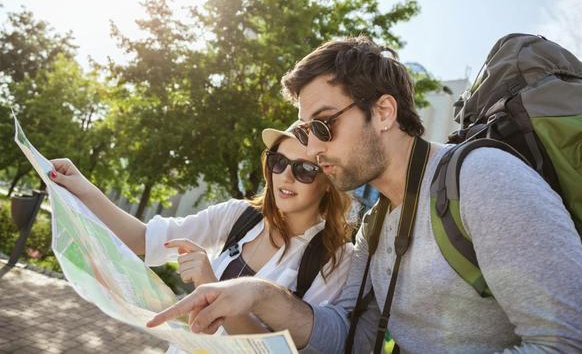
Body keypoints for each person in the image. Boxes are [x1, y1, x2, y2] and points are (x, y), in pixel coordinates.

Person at [146, 36, 582, 353]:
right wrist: (259, 294)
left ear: (384, 112)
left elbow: (580, 344)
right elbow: (351, 335)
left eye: (322, 125)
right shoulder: (377, 223)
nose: (311, 147)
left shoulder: (482, 179)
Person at [49, 125, 354, 350]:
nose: (285, 177)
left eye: (304, 170)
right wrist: (83, 188)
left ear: (328, 181)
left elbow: (277, 351)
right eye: (279, 162)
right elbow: (143, 238)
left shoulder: (334, 257)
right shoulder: (239, 215)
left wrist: (213, 289)